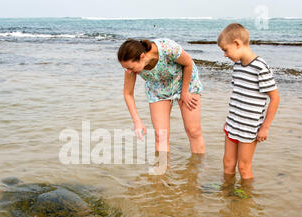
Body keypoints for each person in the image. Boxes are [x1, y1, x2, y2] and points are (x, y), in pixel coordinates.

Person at [117, 38, 205, 155]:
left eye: (130, 68)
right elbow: (128, 93)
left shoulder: (167, 48)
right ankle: (162, 171)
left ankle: (198, 169)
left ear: (142, 56)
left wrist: (184, 92)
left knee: (193, 131)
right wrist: (137, 121)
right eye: (125, 68)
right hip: (158, 87)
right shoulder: (130, 69)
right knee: (160, 135)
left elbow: (188, 63)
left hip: (184, 81)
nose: (128, 71)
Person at [217, 23, 280, 181]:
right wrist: (229, 120)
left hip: (250, 127)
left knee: (244, 166)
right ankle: (227, 191)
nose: (225, 55)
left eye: (225, 50)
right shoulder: (237, 66)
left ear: (237, 43)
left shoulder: (260, 67)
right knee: (228, 163)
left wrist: (265, 127)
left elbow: (275, 97)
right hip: (233, 123)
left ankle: (244, 200)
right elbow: (237, 95)